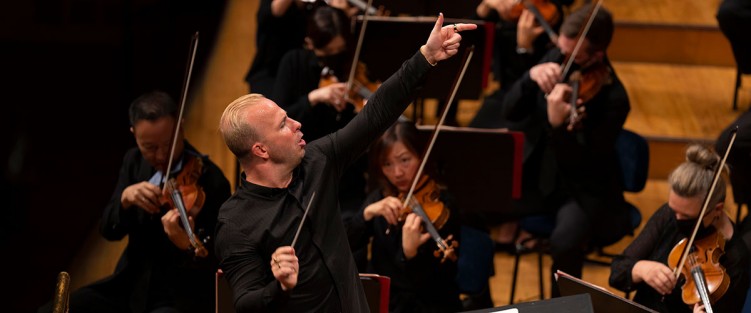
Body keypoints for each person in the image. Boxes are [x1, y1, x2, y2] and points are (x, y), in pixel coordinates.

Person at [214, 14, 476, 313]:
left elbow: (374, 114)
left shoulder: (317, 160)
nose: (298, 123)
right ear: (261, 150)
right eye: (283, 124)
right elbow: (245, 303)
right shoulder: (236, 224)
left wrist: (426, 56)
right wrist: (280, 286)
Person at [38, 90, 232, 313]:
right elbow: (109, 230)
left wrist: (187, 245)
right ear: (134, 135)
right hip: (130, 285)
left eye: (168, 144)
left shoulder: (211, 180)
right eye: (150, 147)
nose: (160, 156)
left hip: (177, 294)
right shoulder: (134, 161)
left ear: (180, 128)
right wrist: (124, 200)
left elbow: (217, 261)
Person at [499, 4, 632, 296]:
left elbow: (583, 164)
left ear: (597, 54)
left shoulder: (614, 99)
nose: (564, 59)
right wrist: (530, 76)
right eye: (562, 49)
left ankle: (564, 306)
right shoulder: (557, 56)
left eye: (575, 55)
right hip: (537, 179)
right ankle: (477, 300)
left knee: (564, 243)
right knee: (472, 203)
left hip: (580, 191)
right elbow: (510, 111)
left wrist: (558, 126)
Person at [610, 144, 751, 313]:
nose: (676, 219)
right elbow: (617, 271)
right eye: (674, 210)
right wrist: (640, 269)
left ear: (717, 210)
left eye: (686, 216)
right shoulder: (670, 214)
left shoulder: (736, 260)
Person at [346, 120, 463, 312]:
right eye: (387, 164)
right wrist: (366, 214)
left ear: (421, 155)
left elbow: (443, 278)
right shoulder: (380, 197)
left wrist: (411, 254)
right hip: (386, 303)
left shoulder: (444, 205)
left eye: (405, 160)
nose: (397, 173)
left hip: (428, 305)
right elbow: (345, 246)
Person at [469, 0, 565, 129]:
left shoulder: (549, 14)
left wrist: (524, 48)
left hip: (532, 100)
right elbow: (469, 41)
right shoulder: (504, 10)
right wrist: (483, 9)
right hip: (504, 93)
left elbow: (528, 81)